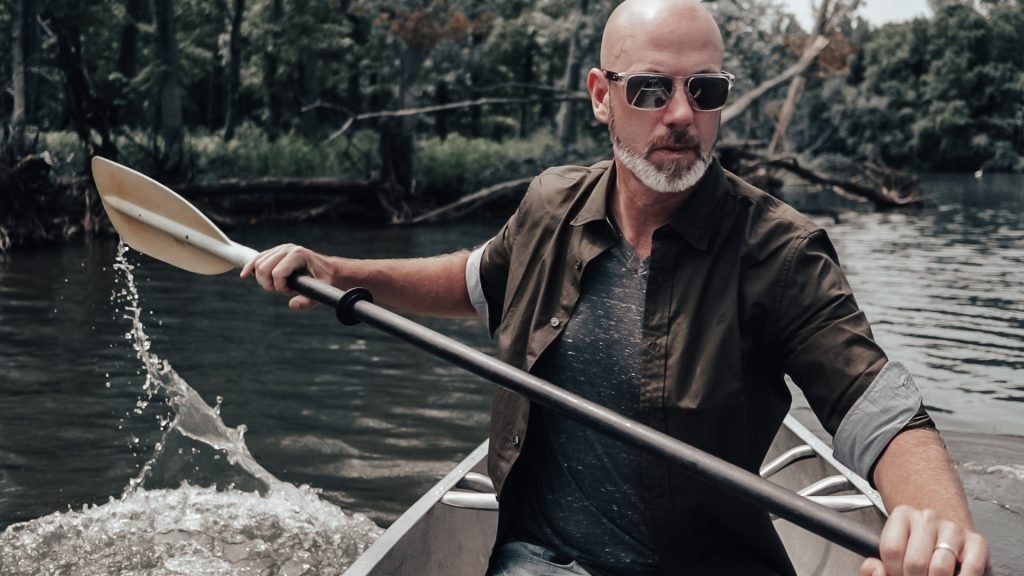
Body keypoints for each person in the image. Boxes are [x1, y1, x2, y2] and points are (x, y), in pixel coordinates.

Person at [241, 0, 991, 574]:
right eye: (651, 89)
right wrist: (342, 272)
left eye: (705, 89)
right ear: (601, 95)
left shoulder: (780, 250)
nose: (681, 115)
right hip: (540, 559)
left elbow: (879, 411)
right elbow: (477, 280)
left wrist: (940, 529)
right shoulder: (550, 204)